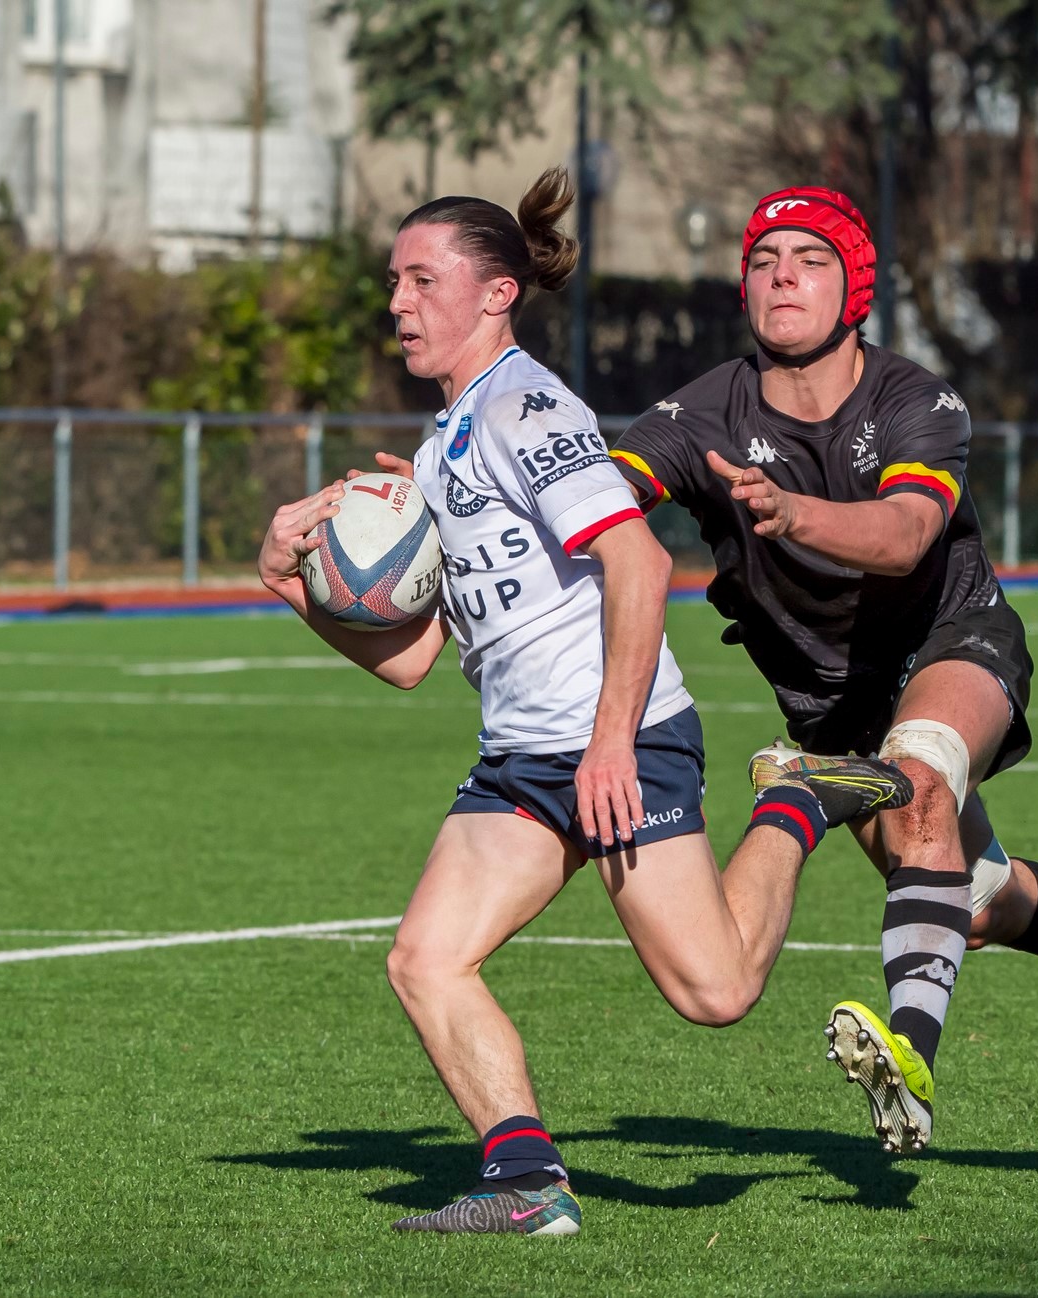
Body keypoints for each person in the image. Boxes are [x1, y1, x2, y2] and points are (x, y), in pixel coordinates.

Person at [256, 168, 913, 1236]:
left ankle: (798, 801)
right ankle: (526, 1181)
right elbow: (413, 657)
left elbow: (640, 564)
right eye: (394, 282)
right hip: (521, 756)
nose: (399, 302)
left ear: (496, 293)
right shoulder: (443, 442)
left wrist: (610, 745)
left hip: (621, 735)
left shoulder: (525, 405)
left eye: (422, 280)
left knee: (714, 992)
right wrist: (285, 581)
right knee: (425, 958)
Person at [607, 187, 1038, 1156]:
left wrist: (793, 512)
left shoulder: (920, 400)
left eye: (810, 257)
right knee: (971, 896)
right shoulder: (698, 410)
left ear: (856, 287)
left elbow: (909, 533)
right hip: (829, 707)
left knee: (920, 776)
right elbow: (595, 498)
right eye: (764, 258)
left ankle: (909, 1058)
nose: (781, 272)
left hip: (954, 640)